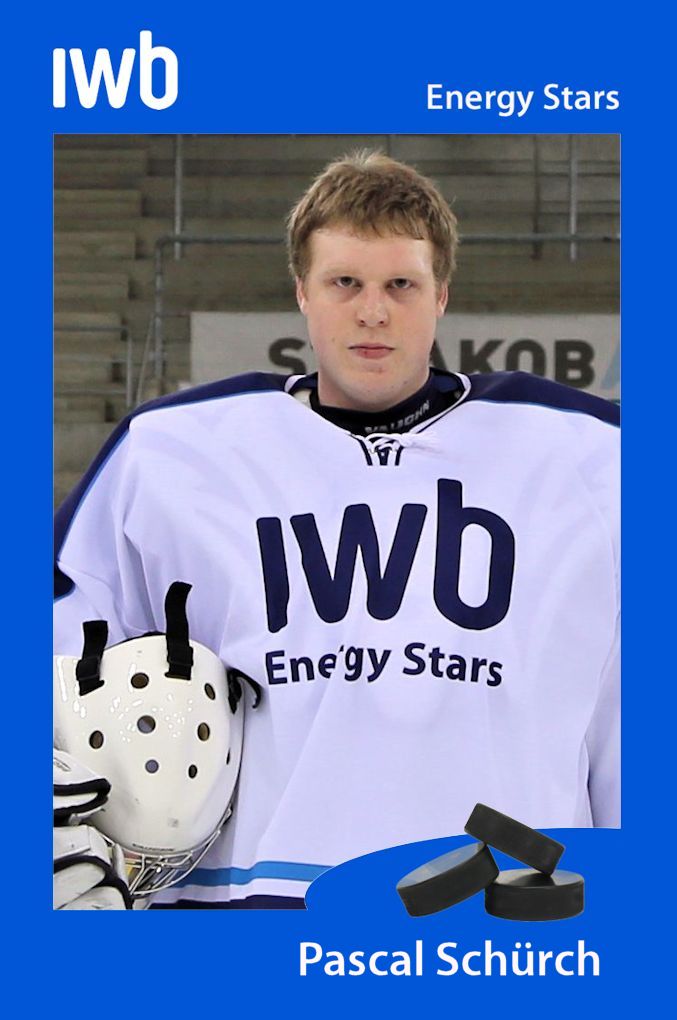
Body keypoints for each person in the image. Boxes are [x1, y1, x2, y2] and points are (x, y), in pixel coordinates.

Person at [54, 151, 619, 909]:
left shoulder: (591, 456)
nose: (373, 312)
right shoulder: (166, 454)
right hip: (249, 919)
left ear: (441, 294)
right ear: (303, 292)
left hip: (509, 927)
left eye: (400, 285)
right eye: (344, 282)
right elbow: (59, 658)